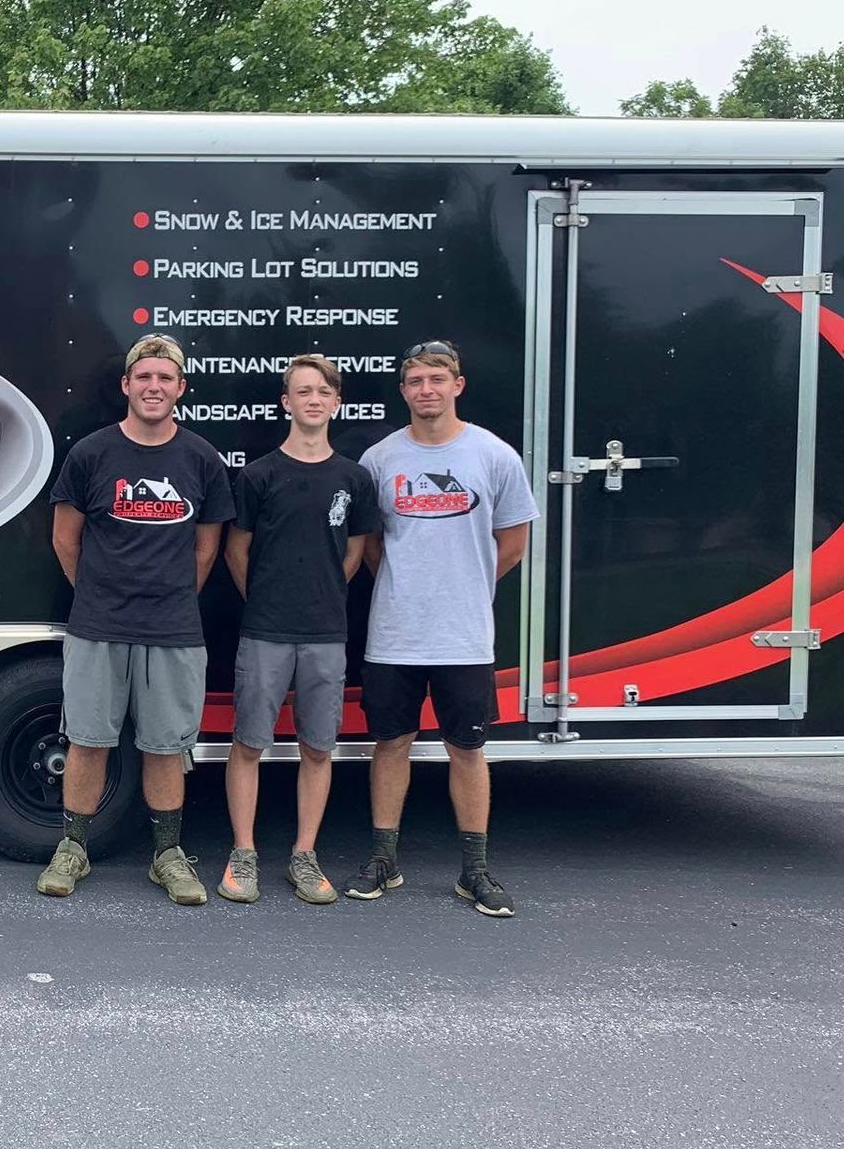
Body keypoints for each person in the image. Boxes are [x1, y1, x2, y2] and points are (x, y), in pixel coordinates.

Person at [37, 333, 235, 904]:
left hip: (173, 629)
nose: (154, 386)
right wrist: (101, 597)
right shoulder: (92, 454)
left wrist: (167, 598)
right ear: (126, 385)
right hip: (98, 626)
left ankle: (167, 855)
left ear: (181, 388)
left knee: (165, 746)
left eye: (165, 378)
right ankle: (72, 848)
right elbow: (64, 540)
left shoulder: (199, 458)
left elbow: (206, 551)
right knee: (88, 741)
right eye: (143, 377)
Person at [351, 340, 538, 918]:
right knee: (390, 745)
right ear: (403, 391)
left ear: (458, 385)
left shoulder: (495, 456)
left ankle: (474, 871)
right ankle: (385, 860)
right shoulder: (379, 460)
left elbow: (513, 543)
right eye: (415, 381)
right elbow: (373, 546)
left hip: (464, 634)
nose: (426, 390)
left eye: (437, 379)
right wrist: (410, 585)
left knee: (468, 748)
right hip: (395, 633)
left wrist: (463, 585)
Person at [218, 354, 379, 905]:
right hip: (265, 629)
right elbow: (237, 551)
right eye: (302, 391)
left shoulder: (354, 478)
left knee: (317, 748)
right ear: (286, 402)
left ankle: (304, 856)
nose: (313, 399)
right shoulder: (259, 475)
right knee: (249, 743)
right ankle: (244, 854)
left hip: (325, 633)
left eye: (323, 391)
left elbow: (355, 552)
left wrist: (321, 595)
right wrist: (266, 597)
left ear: (337, 402)